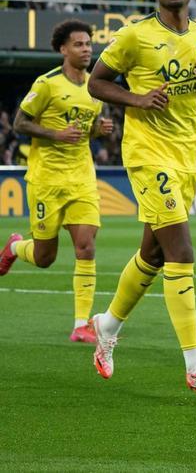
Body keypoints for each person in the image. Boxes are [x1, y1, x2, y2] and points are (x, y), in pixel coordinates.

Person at [86, 0, 196, 393]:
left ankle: (107, 324)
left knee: (152, 253)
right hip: (148, 154)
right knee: (181, 251)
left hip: (188, 156)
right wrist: (136, 99)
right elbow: (97, 83)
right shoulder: (134, 36)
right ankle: (195, 363)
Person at [0, 20, 114, 343]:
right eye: (78, 44)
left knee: (86, 246)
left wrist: (98, 131)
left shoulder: (95, 87)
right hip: (47, 179)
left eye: (89, 44)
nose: (86, 49)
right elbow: (19, 123)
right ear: (63, 49)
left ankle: (81, 324)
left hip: (81, 176)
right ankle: (14, 247)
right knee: (45, 257)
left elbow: (86, 131)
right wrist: (55, 134)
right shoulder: (46, 83)